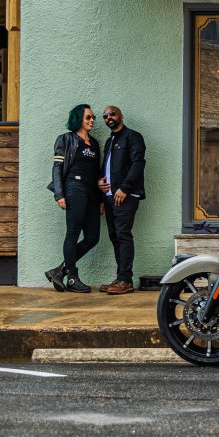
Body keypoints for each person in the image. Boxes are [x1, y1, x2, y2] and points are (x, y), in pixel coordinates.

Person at [44, 104, 101, 293]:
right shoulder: (65, 139)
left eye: (93, 117)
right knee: (73, 233)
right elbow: (57, 168)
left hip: (91, 192)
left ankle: (59, 271)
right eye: (88, 118)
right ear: (79, 119)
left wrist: (100, 199)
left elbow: (97, 172)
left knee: (93, 237)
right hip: (74, 188)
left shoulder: (94, 143)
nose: (92, 120)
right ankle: (72, 278)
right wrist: (59, 194)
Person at [97, 105, 146, 294]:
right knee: (115, 236)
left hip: (126, 196)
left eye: (112, 114)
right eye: (105, 116)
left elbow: (138, 163)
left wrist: (124, 188)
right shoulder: (110, 141)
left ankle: (126, 280)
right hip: (109, 197)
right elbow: (106, 168)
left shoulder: (133, 137)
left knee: (123, 234)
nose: (108, 117)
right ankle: (120, 278)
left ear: (121, 116)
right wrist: (101, 190)